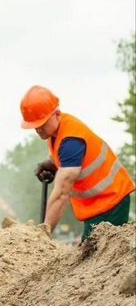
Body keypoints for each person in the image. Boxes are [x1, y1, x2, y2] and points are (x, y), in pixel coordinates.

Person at [20, 85, 134, 240]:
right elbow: (66, 161)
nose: (38, 129)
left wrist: (43, 235)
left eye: (41, 123)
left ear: (56, 113)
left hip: (111, 202)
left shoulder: (71, 141)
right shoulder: (55, 133)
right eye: (34, 125)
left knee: (96, 260)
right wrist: (52, 165)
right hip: (97, 206)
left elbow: (61, 194)